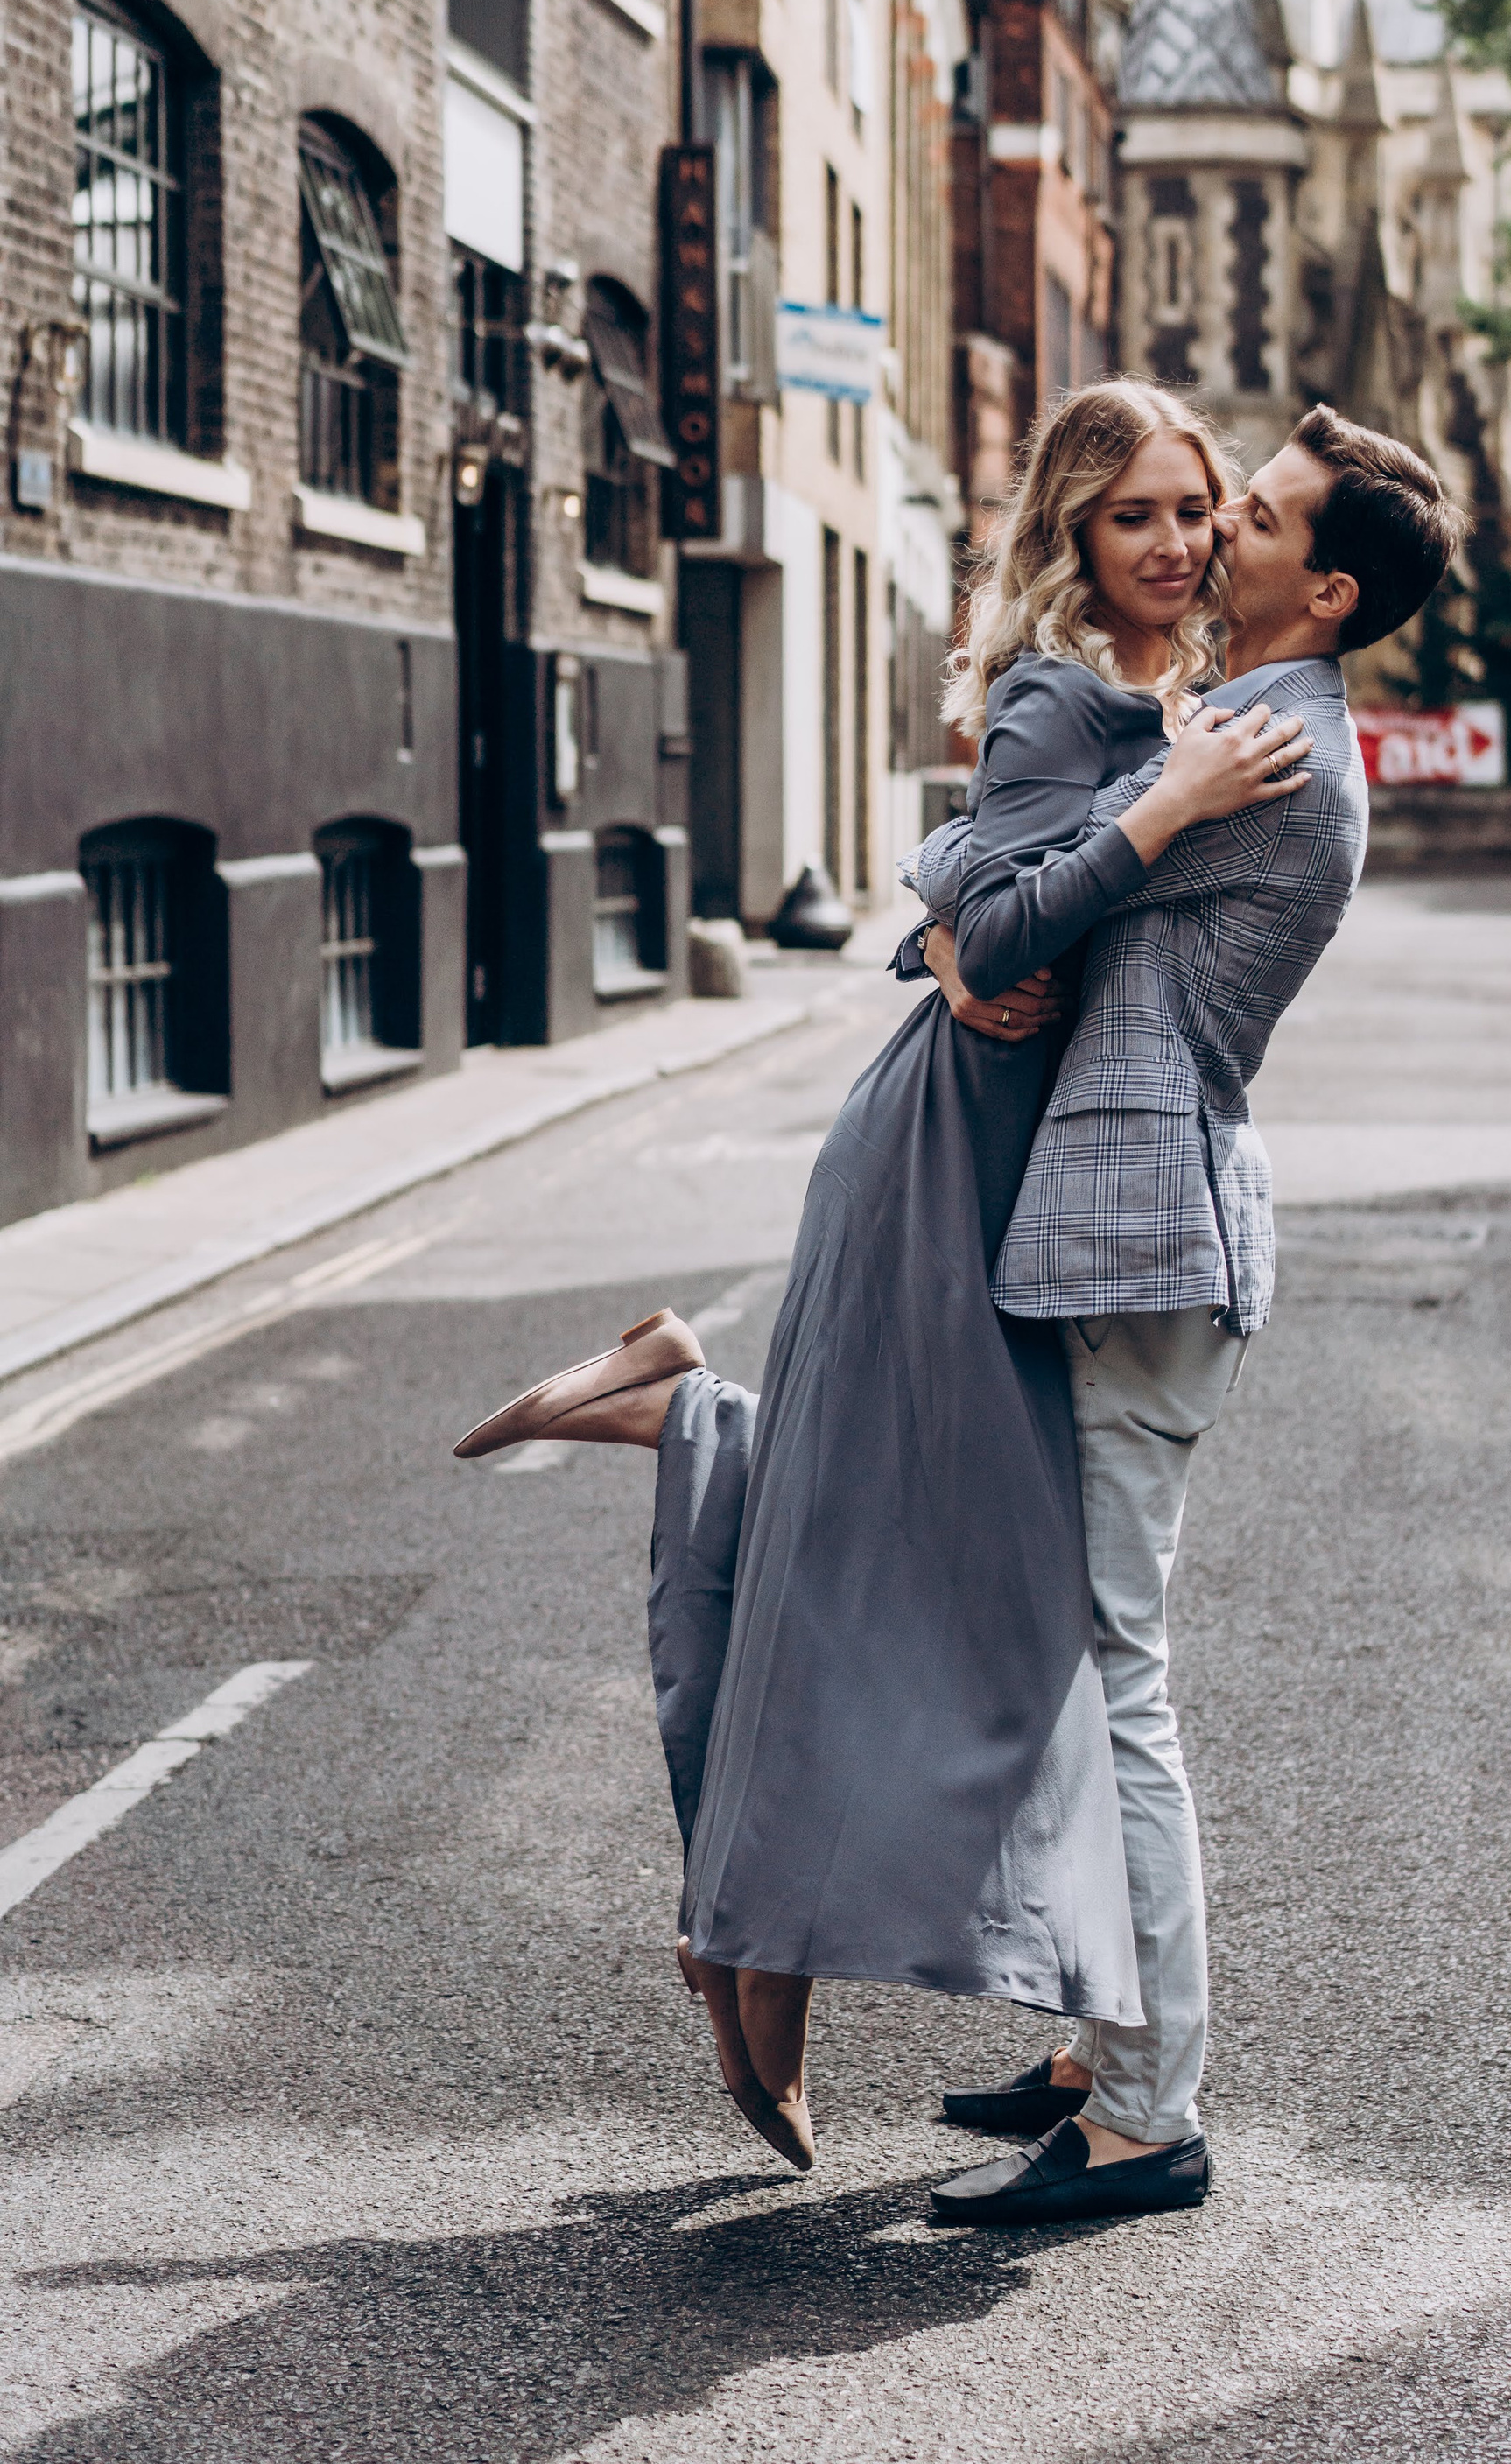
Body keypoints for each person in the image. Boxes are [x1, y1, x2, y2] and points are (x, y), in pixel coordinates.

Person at [450, 382, 1313, 2173]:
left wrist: (1120, 823)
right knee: (873, 1561)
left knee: (933, 1565)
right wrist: (1148, 816)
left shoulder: (1176, 704)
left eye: (1190, 510)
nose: (1170, 541)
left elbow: (979, 918)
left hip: (1031, 1170)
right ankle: (749, 1948)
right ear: (1074, 532)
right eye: (1133, 513)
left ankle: (684, 1411)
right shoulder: (1062, 697)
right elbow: (982, 930)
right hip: (942, 1161)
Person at [905, 404, 1465, 2227]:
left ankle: (1150, 2106)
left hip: (1148, 1235)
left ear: (1330, 583)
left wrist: (961, 927)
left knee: (1119, 1672)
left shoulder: (1257, 747)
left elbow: (1018, 911)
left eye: (1258, 512)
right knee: (1085, 1663)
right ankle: (1094, 2046)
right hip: (1147, 1230)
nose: (1218, 524)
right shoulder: (1248, 719)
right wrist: (948, 925)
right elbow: (1003, 889)